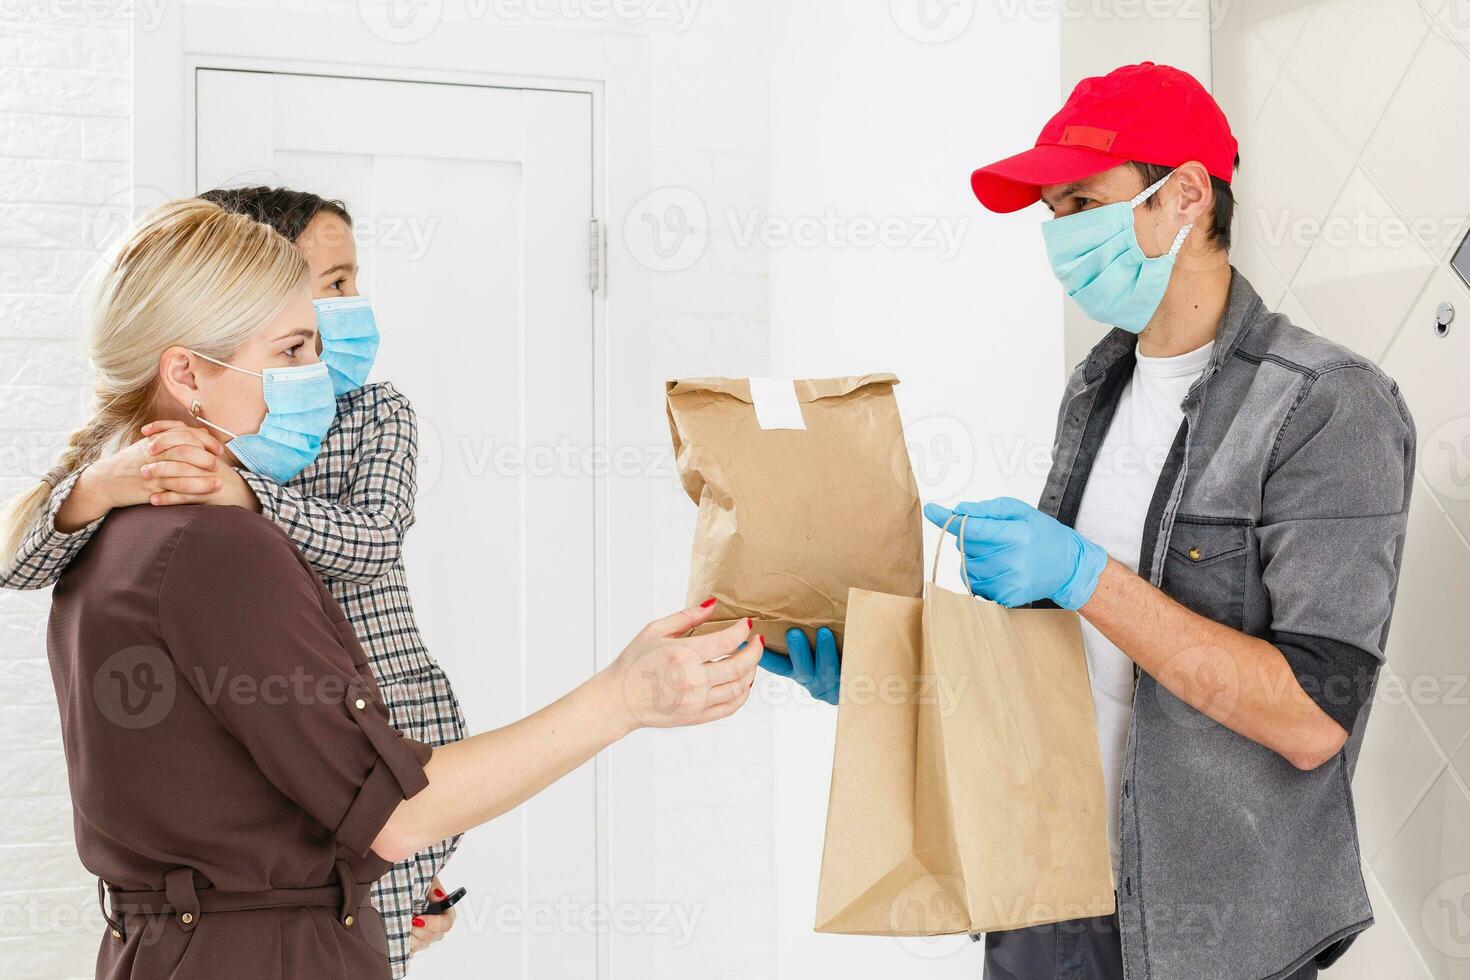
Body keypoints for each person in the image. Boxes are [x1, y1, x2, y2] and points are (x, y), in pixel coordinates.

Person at [2, 198, 764, 980]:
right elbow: (398, 817)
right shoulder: (215, 545)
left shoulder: (112, 538)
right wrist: (626, 698)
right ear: (188, 373)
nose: (316, 374)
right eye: (294, 348)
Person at [769, 63, 1414, 980]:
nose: (1060, 236)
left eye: (1081, 203)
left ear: (1184, 194)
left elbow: (1313, 719)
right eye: (1054, 212)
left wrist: (1085, 575)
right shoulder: (1099, 385)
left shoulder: (1326, 406)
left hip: (1210, 937)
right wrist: (891, 682)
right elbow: (1069, 672)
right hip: (1047, 888)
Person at [0, 186, 464, 974]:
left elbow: (376, 539)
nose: (341, 313)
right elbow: (22, 558)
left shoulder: (366, 415)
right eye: (322, 291)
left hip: (384, 749)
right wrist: (103, 485)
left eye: (350, 281)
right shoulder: (182, 451)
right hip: (311, 792)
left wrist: (248, 494)